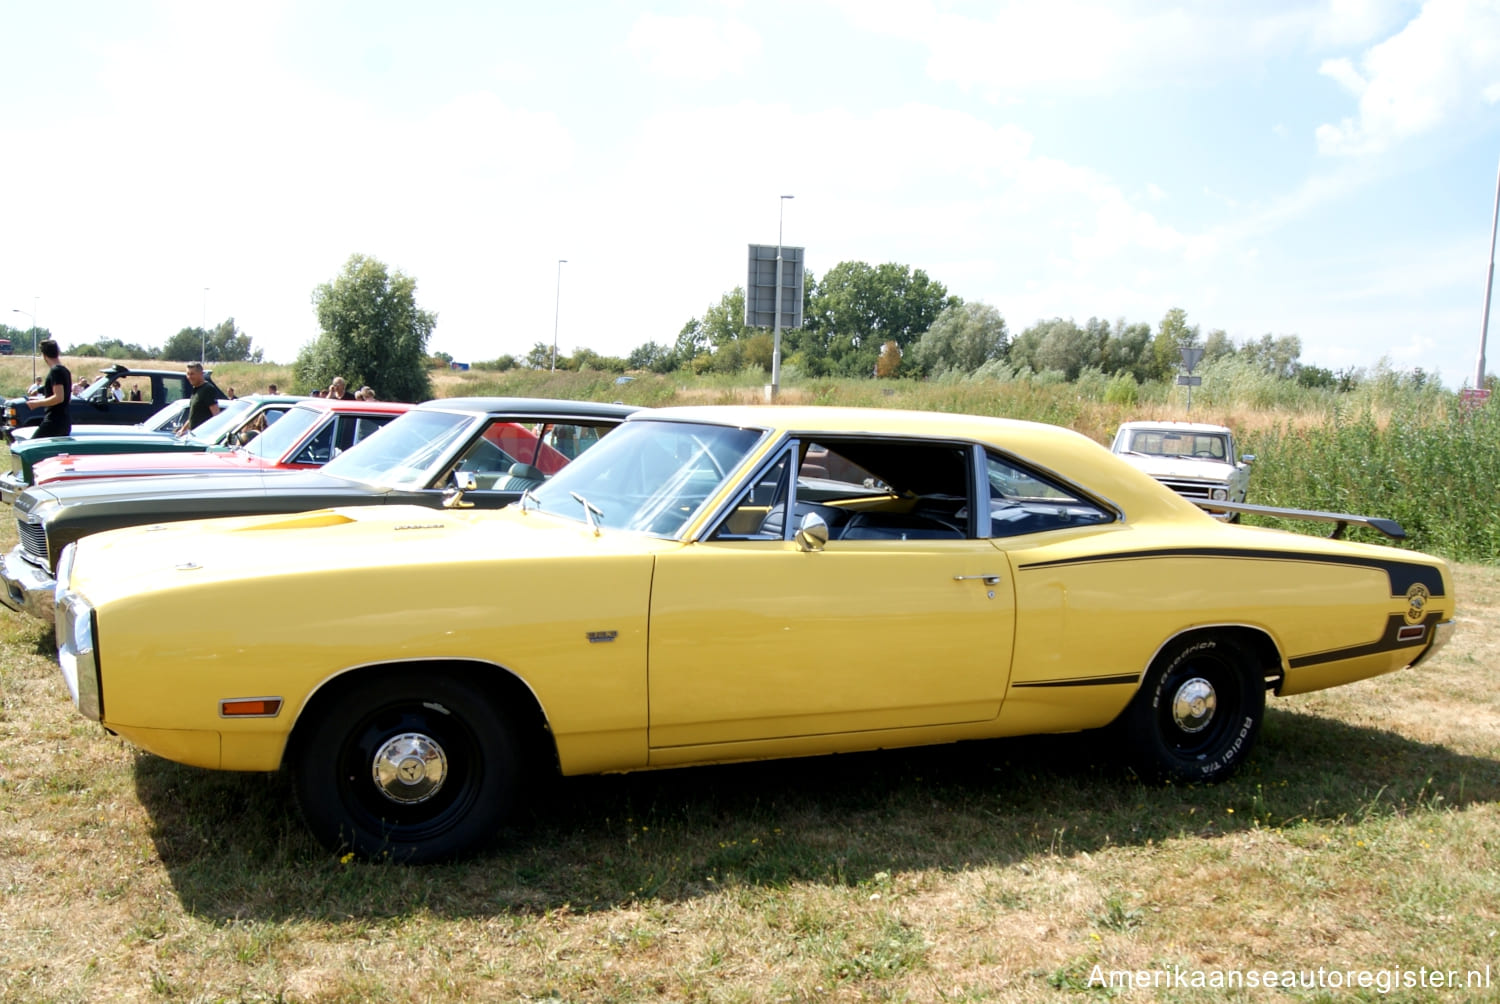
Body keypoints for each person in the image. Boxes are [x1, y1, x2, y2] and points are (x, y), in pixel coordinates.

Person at [27, 340, 72, 439]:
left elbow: (58, 397)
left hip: (54, 421)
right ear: (58, 352)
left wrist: (36, 404)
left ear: (44, 355)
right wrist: (39, 393)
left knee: (33, 447)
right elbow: (65, 396)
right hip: (64, 421)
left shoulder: (55, 371)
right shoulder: (65, 371)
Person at [180, 361, 220, 434]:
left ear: (201, 374)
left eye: (192, 374)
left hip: (203, 435)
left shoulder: (208, 389)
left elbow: (216, 415)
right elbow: (193, 416)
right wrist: (182, 430)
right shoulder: (196, 389)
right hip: (193, 435)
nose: (189, 377)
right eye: (188, 374)